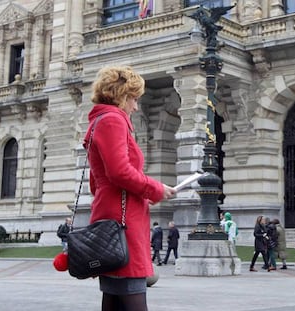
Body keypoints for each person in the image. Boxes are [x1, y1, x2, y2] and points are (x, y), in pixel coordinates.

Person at [83, 66, 176, 311]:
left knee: (114, 298)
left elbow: (97, 181)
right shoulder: (113, 120)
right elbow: (119, 171)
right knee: (131, 290)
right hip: (123, 221)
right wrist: (155, 189)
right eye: (133, 99)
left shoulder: (100, 120)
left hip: (112, 213)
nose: (135, 106)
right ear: (120, 95)